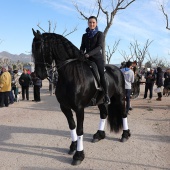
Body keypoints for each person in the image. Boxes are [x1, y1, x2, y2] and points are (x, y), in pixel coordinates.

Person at [80, 16, 110, 104]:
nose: (91, 24)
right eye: (90, 22)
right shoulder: (84, 35)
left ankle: (106, 95)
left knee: (101, 74)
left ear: (96, 23)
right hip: (86, 58)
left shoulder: (100, 34)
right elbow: (82, 46)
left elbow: (99, 47)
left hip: (97, 58)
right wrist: (81, 52)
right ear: (88, 23)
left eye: (93, 22)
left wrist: (89, 54)